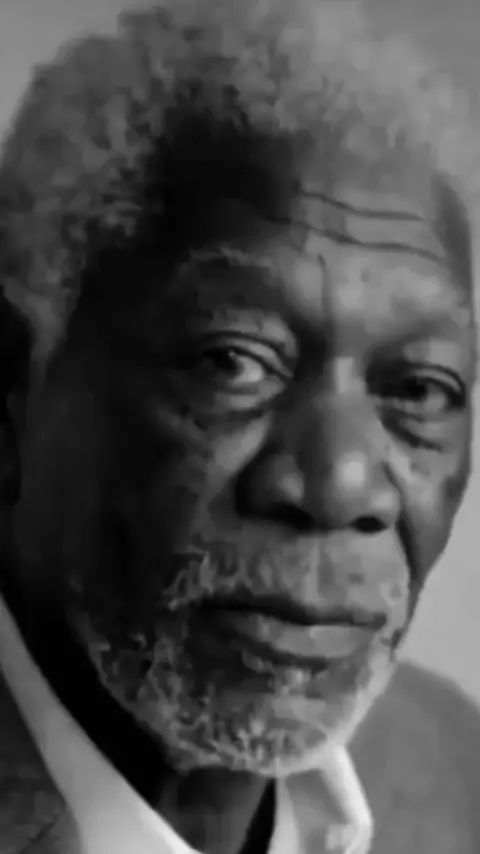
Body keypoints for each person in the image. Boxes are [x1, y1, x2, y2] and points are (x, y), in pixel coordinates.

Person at [0, 0, 480, 852]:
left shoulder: (456, 766)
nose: (341, 486)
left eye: (418, 388)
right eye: (234, 361)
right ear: (12, 388)